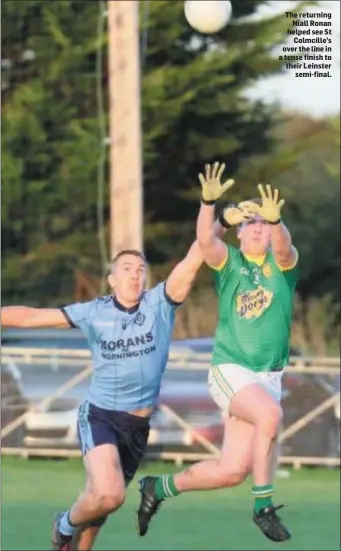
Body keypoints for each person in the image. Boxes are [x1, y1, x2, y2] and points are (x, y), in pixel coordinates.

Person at [1, 199, 253, 551]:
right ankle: (63, 522)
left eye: (140, 269)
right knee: (109, 494)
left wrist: (218, 217)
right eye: (127, 269)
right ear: (112, 278)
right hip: (101, 414)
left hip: (137, 426)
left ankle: (73, 531)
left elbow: (197, 254)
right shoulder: (94, 312)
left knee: (101, 509)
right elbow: (29, 317)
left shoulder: (160, 304)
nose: (135, 275)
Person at [137, 162, 299, 543]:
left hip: (267, 377)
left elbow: (286, 247)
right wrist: (210, 205)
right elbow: (206, 243)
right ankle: (263, 507)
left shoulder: (282, 266)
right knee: (270, 414)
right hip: (231, 369)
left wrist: (279, 224)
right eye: (251, 222)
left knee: (231, 471)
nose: (258, 226)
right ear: (239, 233)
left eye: (265, 221)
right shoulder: (231, 264)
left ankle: (156, 488)